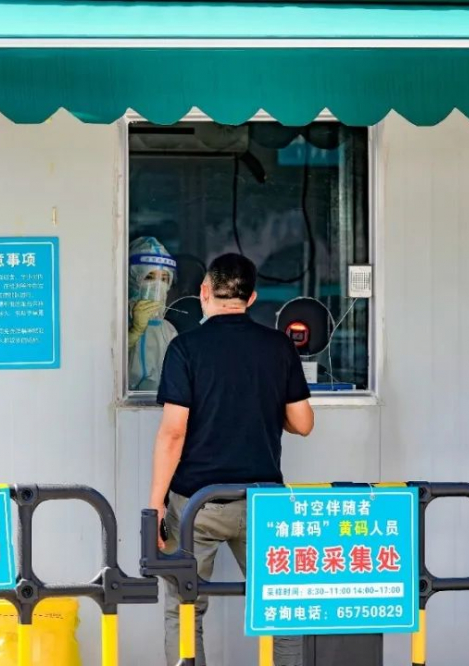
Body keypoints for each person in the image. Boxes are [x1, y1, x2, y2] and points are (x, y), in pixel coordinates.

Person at [148, 253, 315, 666]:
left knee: (185, 608)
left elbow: (173, 432)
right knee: (282, 607)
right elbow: (303, 423)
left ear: (205, 292)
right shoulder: (277, 347)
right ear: (252, 297)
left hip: (195, 505)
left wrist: (155, 504)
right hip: (262, 503)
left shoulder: (185, 347)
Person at [128, 237, 179, 391]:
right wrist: (134, 332)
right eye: (149, 277)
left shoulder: (168, 331)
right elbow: (105, 364)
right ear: (132, 280)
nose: (158, 286)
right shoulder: (114, 323)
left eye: (164, 279)